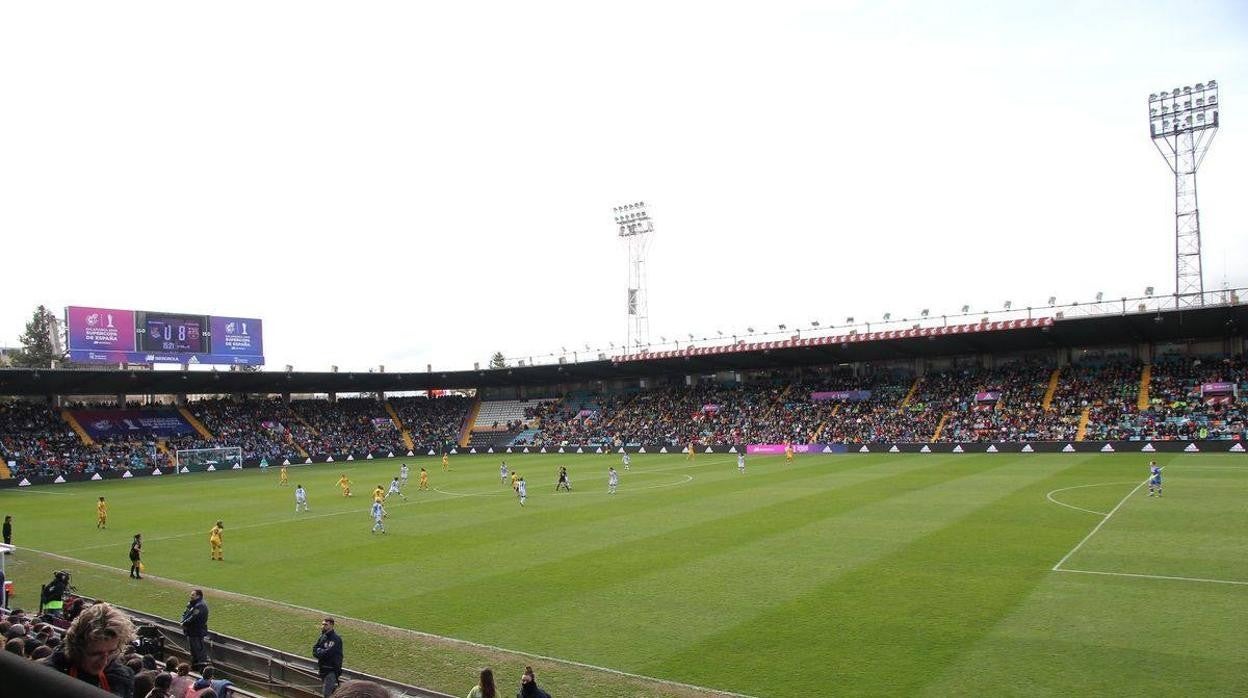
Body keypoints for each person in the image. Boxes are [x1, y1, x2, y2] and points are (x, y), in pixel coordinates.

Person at [39, 601, 137, 697]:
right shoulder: (46, 677)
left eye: (112, 652)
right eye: (95, 654)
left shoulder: (122, 678)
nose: (104, 662)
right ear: (77, 647)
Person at [312, 617, 343, 698]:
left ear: (332, 625)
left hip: (331, 670)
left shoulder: (335, 639)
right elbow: (314, 650)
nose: (323, 626)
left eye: (325, 625)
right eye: (322, 624)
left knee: (327, 694)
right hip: (323, 669)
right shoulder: (322, 637)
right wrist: (321, 651)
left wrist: (320, 651)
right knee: (331, 693)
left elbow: (328, 653)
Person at [181, 589, 209, 670]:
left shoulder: (200, 606)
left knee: (198, 650)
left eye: (193, 595)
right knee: (193, 650)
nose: (191, 596)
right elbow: (185, 613)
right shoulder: (192, 603)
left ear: (198, 596)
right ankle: (195, 666)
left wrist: (184, 623)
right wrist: (183, 621)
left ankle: (201, 668)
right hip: (191, 631)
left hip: (196, 632)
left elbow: (193, 617)